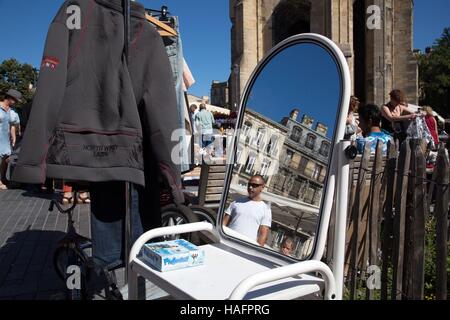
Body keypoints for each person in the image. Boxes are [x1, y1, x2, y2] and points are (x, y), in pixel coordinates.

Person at [223, 175, 272, 246]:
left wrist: (256, 252)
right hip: (228, 242)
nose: (250, 187)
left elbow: (263, 235)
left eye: (254, 185)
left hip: (247, 248)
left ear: (262, 187)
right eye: (249, 184)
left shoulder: (266, 209)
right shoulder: (237, 201)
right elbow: (224, 223)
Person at [0, 89, 22, 189]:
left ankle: (3, 178)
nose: (16, 102)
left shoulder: (12, 112)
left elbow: (13, 125)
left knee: (5, 160)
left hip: (5, 139)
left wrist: (14, 138)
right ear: (9, 98)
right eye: (15, 100)